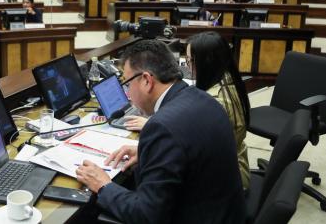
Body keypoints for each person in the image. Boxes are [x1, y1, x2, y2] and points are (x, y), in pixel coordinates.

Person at [75, 40, 245, 223]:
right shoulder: (203, 98)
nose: (128, 94)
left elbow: (146, 215)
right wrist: (149, 153)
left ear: (147, 81)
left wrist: (103, 185)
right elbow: (190, 150)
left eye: (127, 83)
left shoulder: (161, 128)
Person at [186, 31, 251, 189]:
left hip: (226, 183)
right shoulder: (228, 79)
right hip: (236, 165)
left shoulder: (214, 103)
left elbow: (191, 151)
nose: (187, 67)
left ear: (205, 62)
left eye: (189, 61)